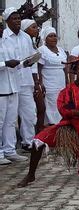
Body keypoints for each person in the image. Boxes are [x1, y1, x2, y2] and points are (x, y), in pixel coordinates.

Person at [17, 55, 79, 188]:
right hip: (68, 128)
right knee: (38, 141)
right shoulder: (68, 91)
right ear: (76, 71)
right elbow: (63, 109)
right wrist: (75, 113)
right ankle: (30, 175)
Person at [3, 11, 40, 152]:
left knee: (30, 113)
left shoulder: (26, 37)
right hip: (9, 81)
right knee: (10, 118)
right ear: (7, 21)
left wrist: (35, 79)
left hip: (25, 80)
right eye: (14, 19)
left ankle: (28, 142)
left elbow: (32, 58)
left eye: (19, 18)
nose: (17, 21)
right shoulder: (4, 37)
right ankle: (9, 148)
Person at [0, 9, 32, 165]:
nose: (1, 31)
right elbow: (6, 63)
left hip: (14, 86)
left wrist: (23, 64)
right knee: (0, 121)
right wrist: (5, 64)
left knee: (11, 121)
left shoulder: (8, 42)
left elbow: (16, 63)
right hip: (1, 88)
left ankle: (9, 150)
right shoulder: (6, 38)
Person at [37, 26, 69, 125]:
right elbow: (39, 68)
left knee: (61, 103)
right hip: (49, 83)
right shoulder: (41, 50)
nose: (54, 38)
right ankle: (52, 126)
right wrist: (40, 83)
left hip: (61, 82)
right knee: (51, 105)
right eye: (50, 36)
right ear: (45, 38)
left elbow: (64, 67)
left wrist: (67, 82)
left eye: (55, 36)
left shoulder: (61, 50)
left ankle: (60, 126)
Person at [22, 19, 46, 133]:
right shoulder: (23, 43)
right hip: (26, 80)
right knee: (27, 111)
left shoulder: (32, 43)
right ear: (25, 29)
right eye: (34, 27)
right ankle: (26, 138)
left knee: (39, 109)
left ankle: (37, 135)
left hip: (33, 80)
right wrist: (36, 82)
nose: (37, 29)